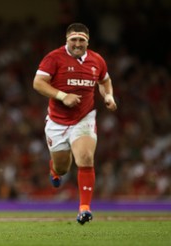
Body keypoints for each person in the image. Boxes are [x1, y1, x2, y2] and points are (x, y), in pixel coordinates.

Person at [32, 23, 117, 225]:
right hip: (57, 121)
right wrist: (63, 96)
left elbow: (105, 81)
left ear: (87, 41)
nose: (77, 44)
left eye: (81, 40)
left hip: (84, 118)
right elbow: (38, 83)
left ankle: (84, 209)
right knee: (62, 168)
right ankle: (55, 170)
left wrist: (109, 97)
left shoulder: (97, 60)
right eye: (74, 40)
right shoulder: (54, 58)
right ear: (67, 40)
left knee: (86, 157)